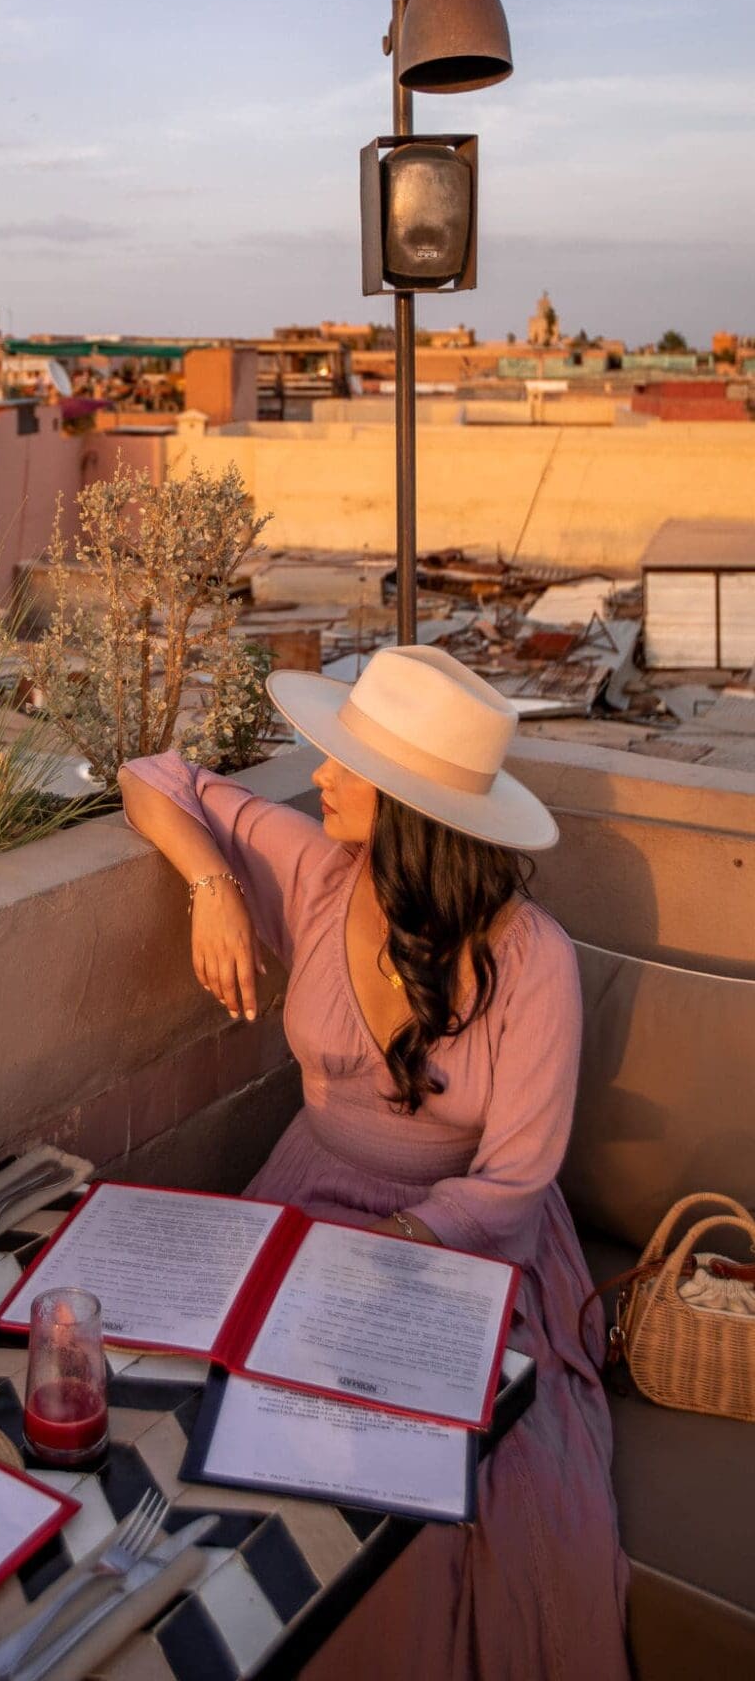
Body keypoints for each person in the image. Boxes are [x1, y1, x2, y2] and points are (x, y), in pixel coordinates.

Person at [119, 645, 629, 1681]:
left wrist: (385, 1254)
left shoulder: (534, 960)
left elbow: (516, 1181)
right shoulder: (310, 871)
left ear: (407, 806)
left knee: (460, 1496)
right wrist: (211, 882)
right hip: (306, 1195)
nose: (317, 775)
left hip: (462, 1246)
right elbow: (152, 773)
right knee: (202, 1426)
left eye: (343, 761)